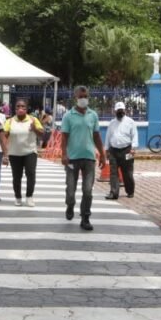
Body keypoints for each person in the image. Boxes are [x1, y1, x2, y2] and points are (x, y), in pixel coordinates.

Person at [61, 85, 106, 231]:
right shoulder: (68, 116)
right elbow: (64, 137)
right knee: (71, 190)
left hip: (89, 158)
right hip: (72, 159)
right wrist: (64, 154)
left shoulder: (93, 115)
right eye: (81, 97)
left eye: (85, 96)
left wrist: (102, 154)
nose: (83, 99)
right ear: (75, 97)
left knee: (87, 190)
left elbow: (97, 136)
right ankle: (70, 205)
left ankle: (85, 217)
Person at [3, 99, 43, 206]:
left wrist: (35, 129)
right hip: (14, 153)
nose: (20, 109)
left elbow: (42, 134)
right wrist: (5, 153)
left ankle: (29, 196)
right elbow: (4, 136)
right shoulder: (9, 121)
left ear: (26, 108)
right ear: (15, 109)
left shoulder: (33, 119)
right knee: (16, 177)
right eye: (18, 106)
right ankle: (18, 197)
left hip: (30, 152)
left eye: (23, 107)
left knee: (31, 174)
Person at [105, 101, 137, 199]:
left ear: (125, 110)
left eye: (121, 110)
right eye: (118, 110)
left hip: (127, 150)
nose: (120, 112)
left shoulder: (131, 122)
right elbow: (108, 136)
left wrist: (133, 148)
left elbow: (135, 135)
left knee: (128, 172)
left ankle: (130, 191)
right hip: (113, 151)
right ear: (115, 111)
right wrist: (106, 149)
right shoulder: (112, 123)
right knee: (113, 173)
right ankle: (114, 193)